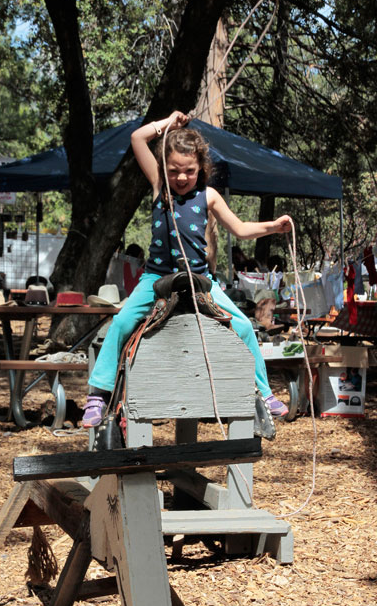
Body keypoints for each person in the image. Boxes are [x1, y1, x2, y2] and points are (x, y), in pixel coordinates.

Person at [83, 111, 291, 427]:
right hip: (155, 277)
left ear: (201, 168)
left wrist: (273, 227)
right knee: (121, 322)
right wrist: (167, 123)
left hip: (200, 280)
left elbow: (240, 229)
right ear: (164, 169)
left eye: (189, 171)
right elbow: (138, 138)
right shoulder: (159, 186)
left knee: (245, 328)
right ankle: (98, 394)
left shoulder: (208, 196)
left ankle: (263, 393)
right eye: (174, 170)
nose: (181, 177)